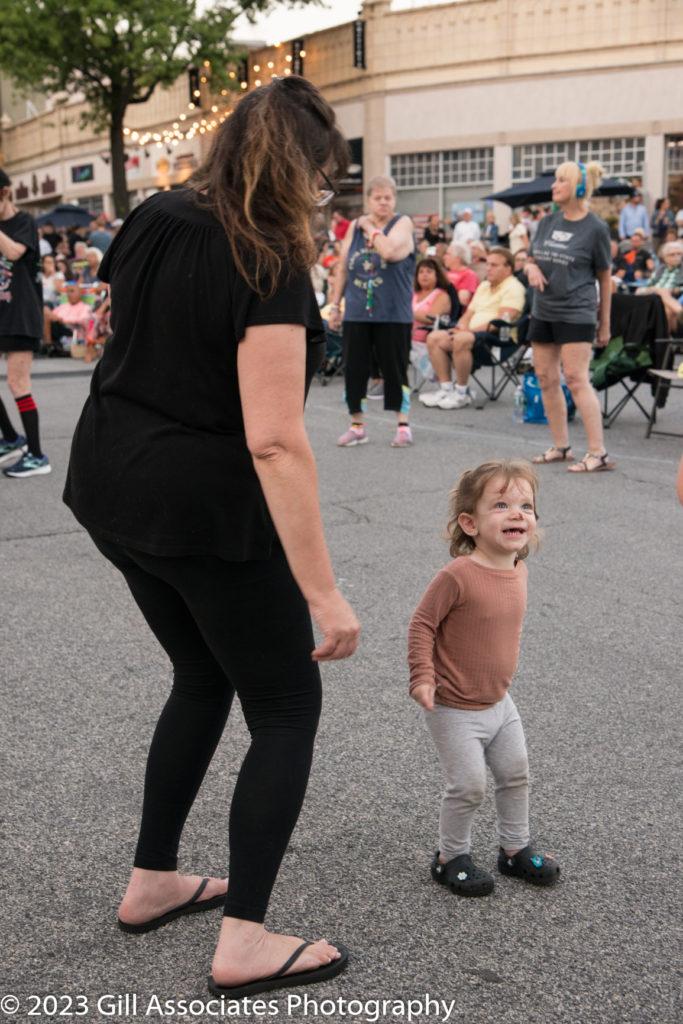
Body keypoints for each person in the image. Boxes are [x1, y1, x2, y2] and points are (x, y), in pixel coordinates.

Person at [63, 76, 357, 999]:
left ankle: (154, 880)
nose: (321, 192)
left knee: (201, 672)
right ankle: (245, 938)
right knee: (285, 704)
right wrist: (322, 591)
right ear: (302, 165)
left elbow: (110, 333)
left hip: (112, 481)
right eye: (321, 173)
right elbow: (274, 440)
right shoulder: (266, 259)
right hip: (193, 504)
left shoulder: (154, 212)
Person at [408, 459, 560, 898]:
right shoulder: (457, 575)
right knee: (469, 786)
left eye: (526, 505)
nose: (517, 513)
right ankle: (449, 857)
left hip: (499, 703)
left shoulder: (518, 568)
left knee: (516, 775)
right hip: (453, 706)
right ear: (469, 522)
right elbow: (422, 624)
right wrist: (422, 676)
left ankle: (514, 849)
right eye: (501, 504)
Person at [526, 161, 614, 472]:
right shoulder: (547, 222)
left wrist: (605, 323)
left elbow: (605, 278)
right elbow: (530, 258)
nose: (554, 186)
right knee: (546, 379)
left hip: (577, 312)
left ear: (578, 188)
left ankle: (597, 452)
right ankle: (561, 446)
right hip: (544, 311)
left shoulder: (595, 229)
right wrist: (531, 267)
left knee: (576, 379)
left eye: (561, 181)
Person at [327, 175, 416, 448]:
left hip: (392, 312)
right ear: (369, 200)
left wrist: (369, 227)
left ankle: (403, 425)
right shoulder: (355, 227)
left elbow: (388, 252)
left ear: (395, 200)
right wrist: (335, 305)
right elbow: (343, 267)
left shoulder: (402, 223)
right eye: (377, 198)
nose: (383, 203)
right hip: (356, 311)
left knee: (395, 368)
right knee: (354, 369)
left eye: (388, 197)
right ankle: (357, 426)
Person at [420, 248, 525, 410]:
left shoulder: (514, 287)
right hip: (472, 336)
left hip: (497, 340)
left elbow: (502, 321)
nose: (488, 268)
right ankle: (446, 389)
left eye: (494, 265)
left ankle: (462, 393)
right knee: (434, 337)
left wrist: (467, 332)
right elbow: (468, 314)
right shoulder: (484, 286)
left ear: (508, 268)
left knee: (462, 338)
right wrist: (461, 326)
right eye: (488, 264)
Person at [0, 168, 51, 477]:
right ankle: (10, 439)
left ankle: (36, 455)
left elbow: (15, 252)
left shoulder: (24, 223)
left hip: (21, 313)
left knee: (17, 383)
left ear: (5, 193)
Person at [637, 240, 683, 333]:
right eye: (672, 254)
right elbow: (643, 288)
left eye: (679, 254)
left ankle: (666, 343)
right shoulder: (659, 270)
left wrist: (674, 290)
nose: (676, 257)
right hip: (652, 298)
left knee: (668, 311)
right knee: (662, 292)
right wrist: (655, 290)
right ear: (664, 257)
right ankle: (680, 312)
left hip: (672, 299)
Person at [411, 257, 451, 345]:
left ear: (437, 275)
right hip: (406, 338)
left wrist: (406, 312)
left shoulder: (442, 296)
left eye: (429, 271)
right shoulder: (413, 293)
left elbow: (431, 318)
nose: (424, 275)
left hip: (426, 343)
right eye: (421, 272)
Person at [443, 242, 479, 308]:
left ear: (457, 258)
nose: (444, 257)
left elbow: (462, 301)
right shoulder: (446, 273)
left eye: (447, 254)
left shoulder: (469, 275)